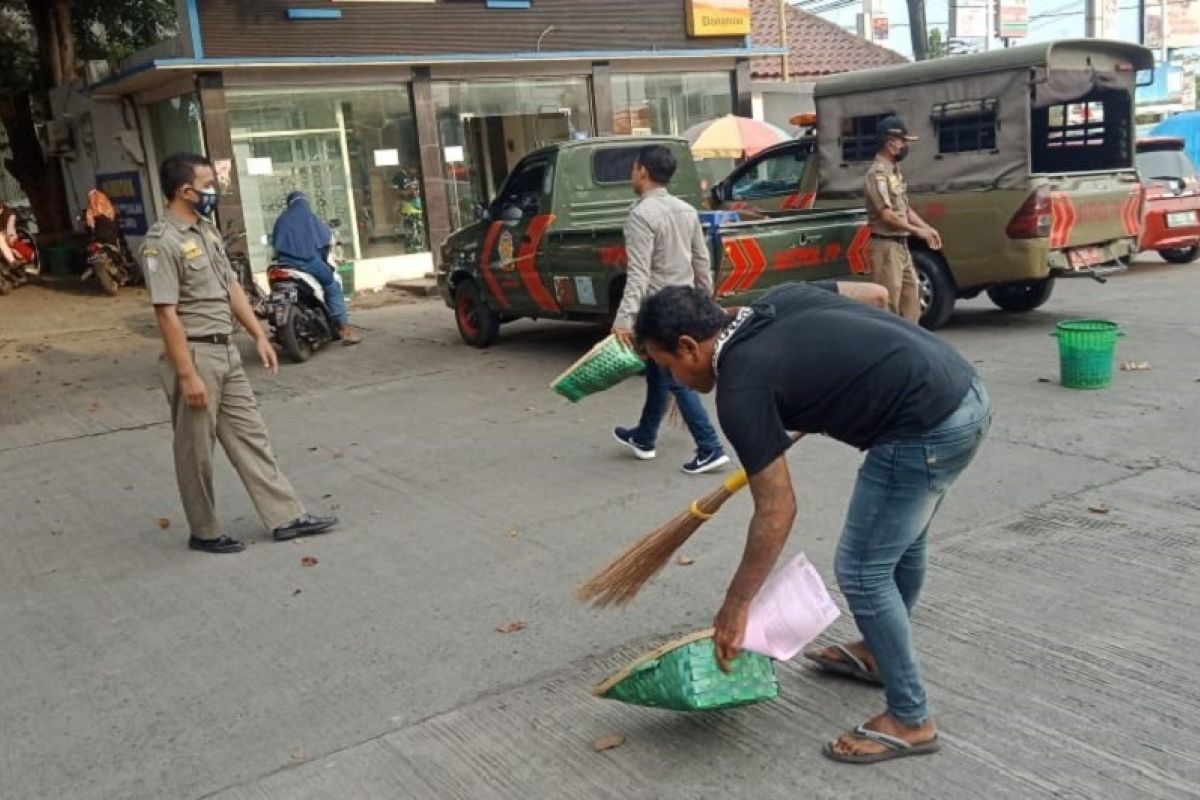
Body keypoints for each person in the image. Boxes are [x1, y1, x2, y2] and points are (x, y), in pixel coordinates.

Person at [632, 280, 991, 764]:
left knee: (863, 571)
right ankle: (877, 653)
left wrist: (736, 604)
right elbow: (878, 294)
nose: (674, 379)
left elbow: (778, 509)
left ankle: (911, 718)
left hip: (925, 427)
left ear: (689, 346)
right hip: (963, 389)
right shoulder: (781, 298)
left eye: (667, 366)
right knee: (901, 545)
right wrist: (842, 377)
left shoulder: (741, 387)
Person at [141, 153, 338, 554]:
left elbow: (232, 288)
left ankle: (285, 515)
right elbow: (166, 314)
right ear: (185, 191)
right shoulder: (163, 242)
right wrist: (187, 374)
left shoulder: (207, 231)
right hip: (195, 355)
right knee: (196, 451)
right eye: (208, 184)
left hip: (226, 353)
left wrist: (259, 335)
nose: (214, 191)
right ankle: (205, 530)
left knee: (252, 435)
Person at [611, 144, 728, 475]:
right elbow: (701, 260)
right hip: (686, 302)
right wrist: (706, 301)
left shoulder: (641, 215)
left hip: (659, 310)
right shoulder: (686, 210)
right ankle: (645, 436)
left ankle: (710, 446)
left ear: (643, 171)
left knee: (674, 379)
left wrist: (623, 319)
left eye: (634, 168)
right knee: (659, 374)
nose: (633, 173)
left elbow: (638, 274)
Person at [864, 116, 943, 322]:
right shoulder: (877, 173)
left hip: (901, 247)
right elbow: (886, 214)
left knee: (911, 304)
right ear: (890, 144)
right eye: (903, 141)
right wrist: (917, 231)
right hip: (886, 248)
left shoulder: (894, 171)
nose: (906, 146)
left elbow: (904, 209)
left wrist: (927, 228)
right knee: (888, 308)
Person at [271, 191, 361, 345]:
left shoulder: (281, 220)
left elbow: (275, 244)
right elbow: (326, 240)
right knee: (332, 286)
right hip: (307, 262)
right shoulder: (310, 218)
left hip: (283, 264)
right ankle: (345, 330)